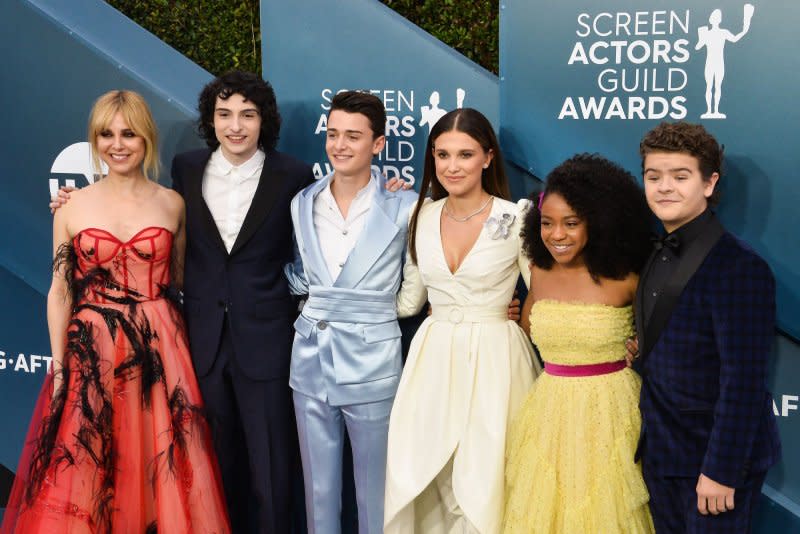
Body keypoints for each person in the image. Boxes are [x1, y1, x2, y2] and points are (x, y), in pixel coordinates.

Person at [1, 90, 229, 533]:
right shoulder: (72, 206)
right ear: (95, 140)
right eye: (106, 134)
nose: (118, 144)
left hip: (159, 348)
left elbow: (180, 280)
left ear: (146, 139)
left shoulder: (172, 203)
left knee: (159, 458)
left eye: (129, 133)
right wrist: (62, 368)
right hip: (92, 350)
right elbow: (60, 291)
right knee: (89, 461)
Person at [170, 71, 314, 534]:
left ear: (263, 121)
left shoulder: (291, 174)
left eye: (247, 115)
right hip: (203, 340)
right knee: (213, 463)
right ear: (211, 120)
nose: (235, 126)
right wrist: (75, 201)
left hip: (267, 340)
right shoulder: (186, 168)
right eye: (224, 114)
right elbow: (148, 213)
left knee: (272, 468)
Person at [384, 108, 541, 533]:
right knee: (424, 478)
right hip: (432, 361)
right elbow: (409, 301)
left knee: (487, 480)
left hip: (497, 362)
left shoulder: (517, 216)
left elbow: (542, 297)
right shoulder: (423, 215)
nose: (452, 166)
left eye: (465, 155)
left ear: (488, 158)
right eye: (442, 154)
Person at [634, 121, 780, 533]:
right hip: (662, 454)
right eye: (653, 176)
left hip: (712, 463)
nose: (664, 187)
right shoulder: (653, 253)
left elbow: (745, 381)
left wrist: (722, 469)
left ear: (709, 183)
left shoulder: (739, 266)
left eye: (680, 177)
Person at [283, 90, 417, 534]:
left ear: (378, 144)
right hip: (309, 359)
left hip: (373, 359)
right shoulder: (302, 202)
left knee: (375, 491)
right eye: (334, 134)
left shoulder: (406, 206)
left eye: (353, 136)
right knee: (318, 491)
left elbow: (415, 284)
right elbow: (301, 271)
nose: (340, 145)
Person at [502, 154, 654, 533]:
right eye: (548, 223)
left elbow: (663, 338)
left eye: (571, 223)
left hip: (612, 412)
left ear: (598, 222)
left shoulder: (628, 277)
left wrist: (639, 345)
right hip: (549, 411)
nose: (557, 235)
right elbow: (529, 329)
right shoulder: (538, 270)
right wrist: (510, 315)